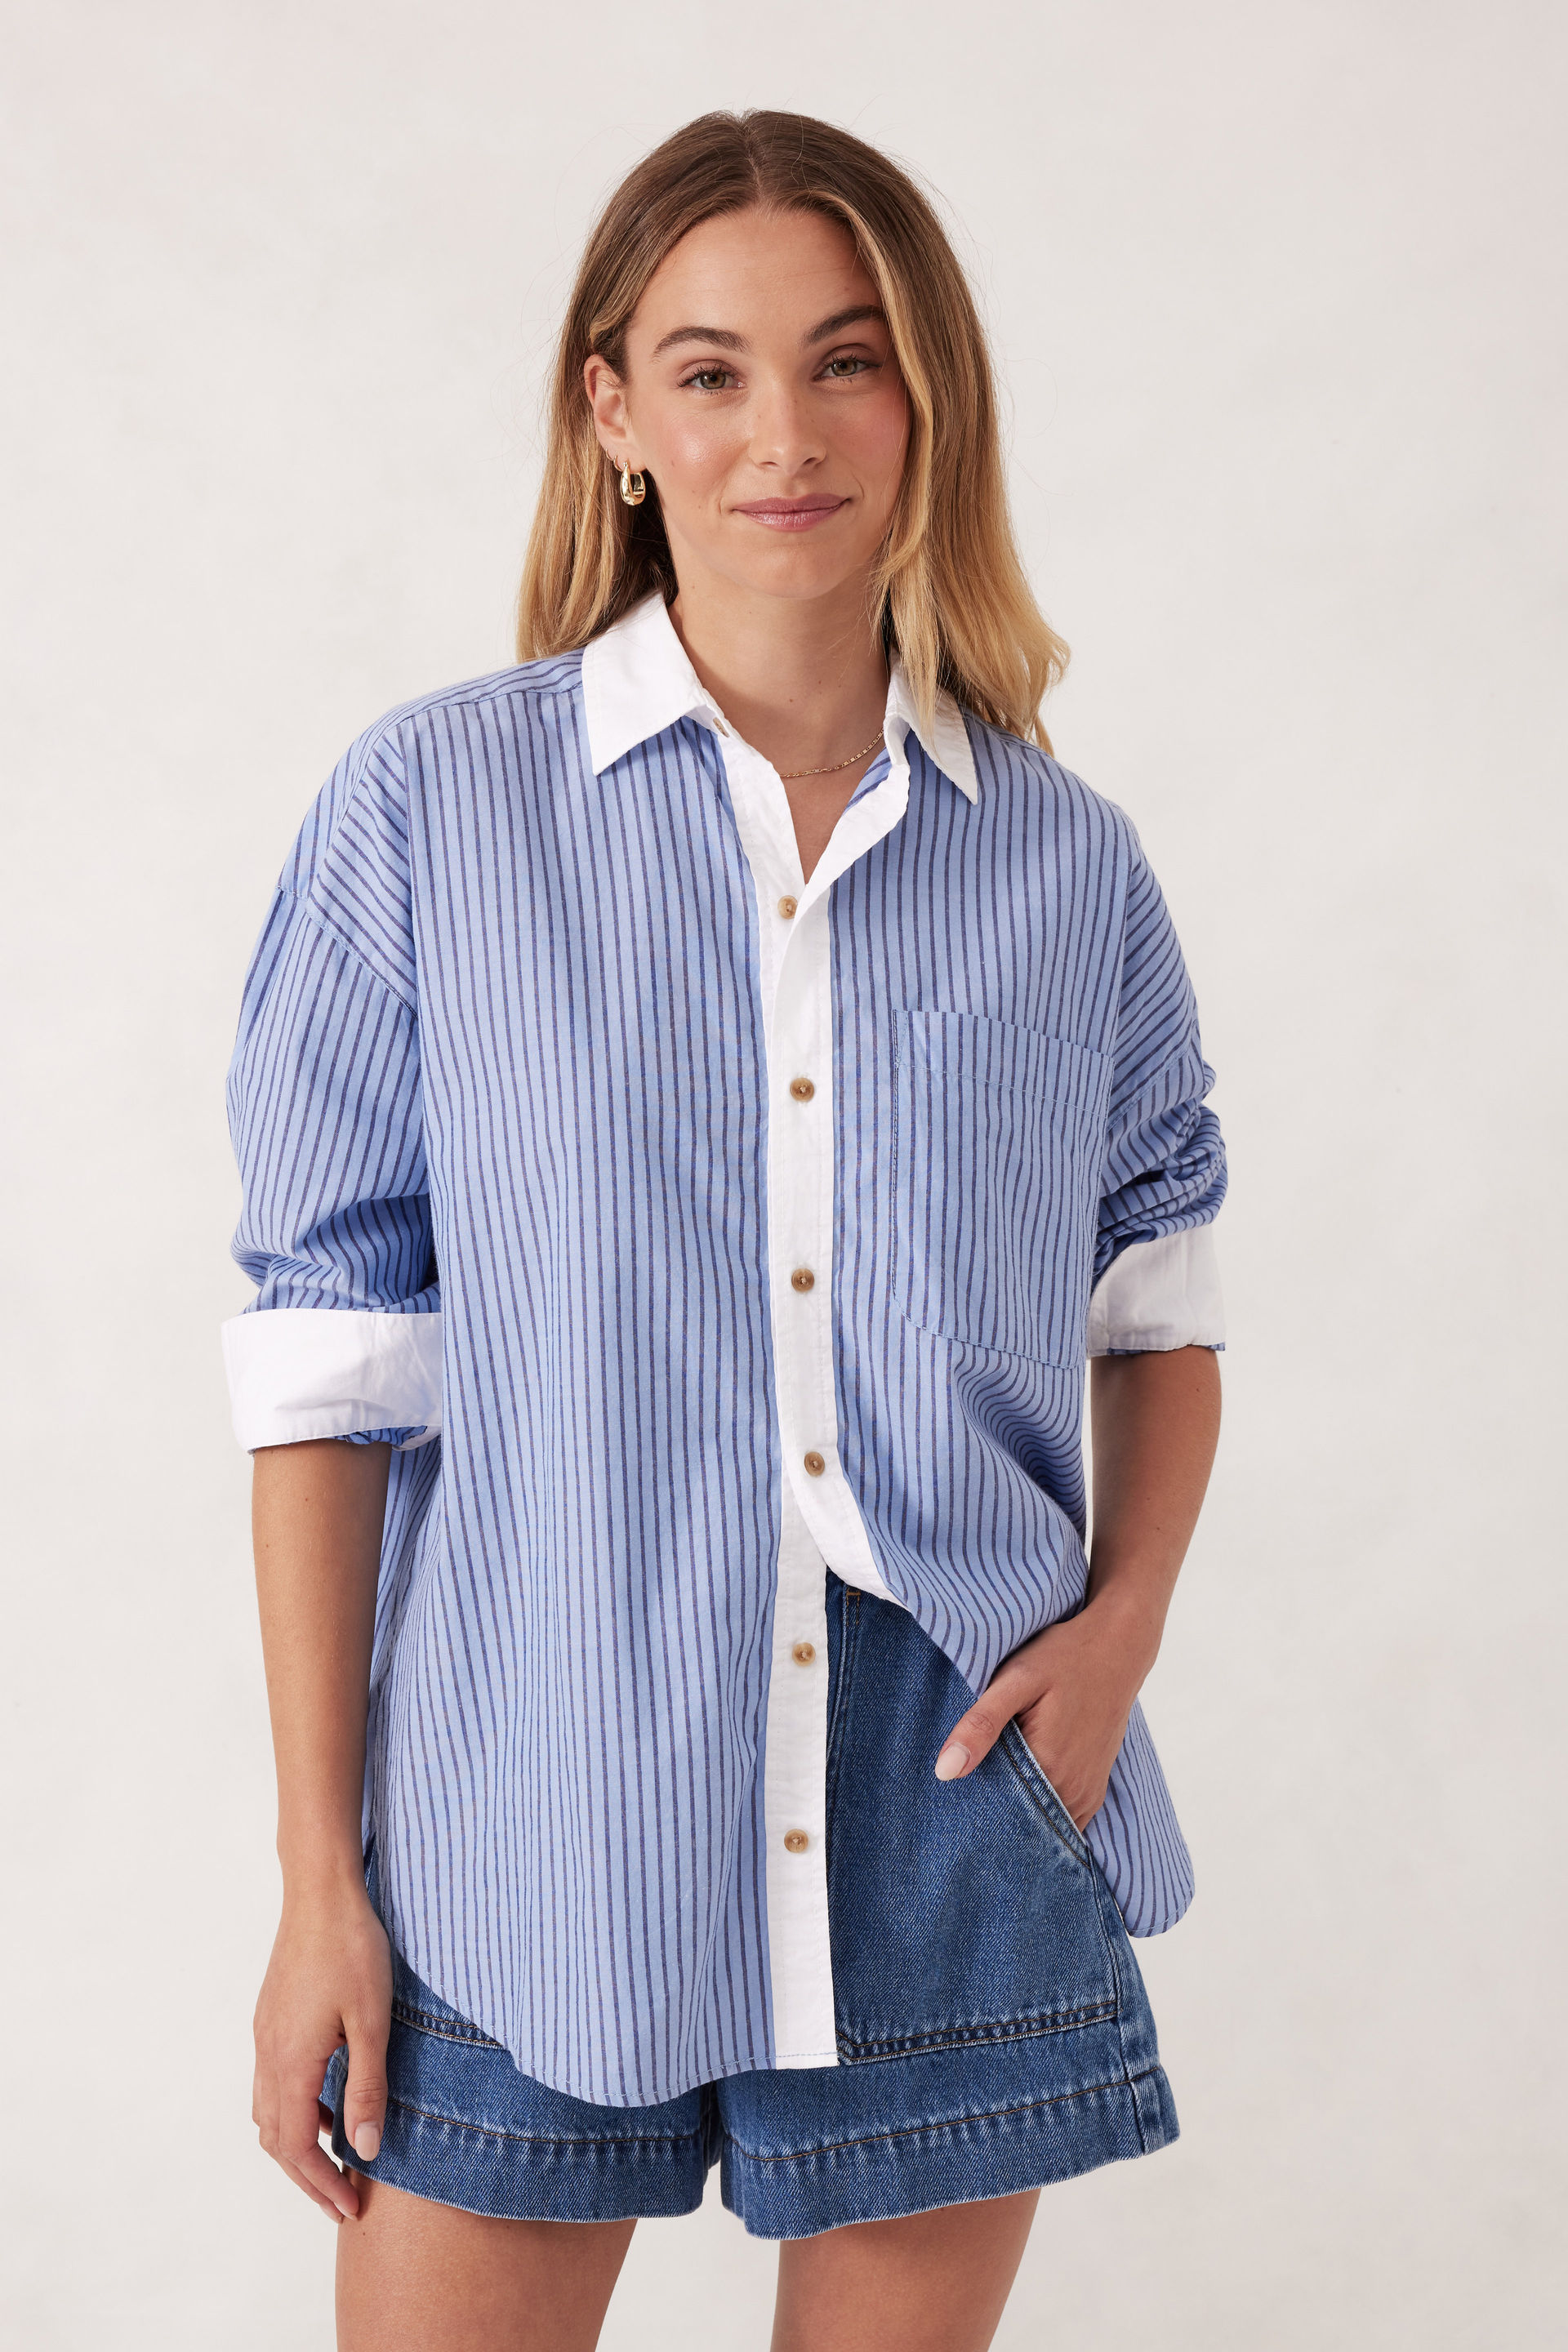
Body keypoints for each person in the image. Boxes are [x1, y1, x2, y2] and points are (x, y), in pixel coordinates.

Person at [224, 108, 1227, 2352]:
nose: (785, 431)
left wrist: (1124, 1630)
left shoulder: (1063, 864)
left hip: (950, 1780)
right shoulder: (434, 813)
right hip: (526, 1788)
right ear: (614, 416)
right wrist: (317, 1880)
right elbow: (327, 1367)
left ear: (927, 399)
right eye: (711, 370)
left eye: (848, 360)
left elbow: (1159, 1293)